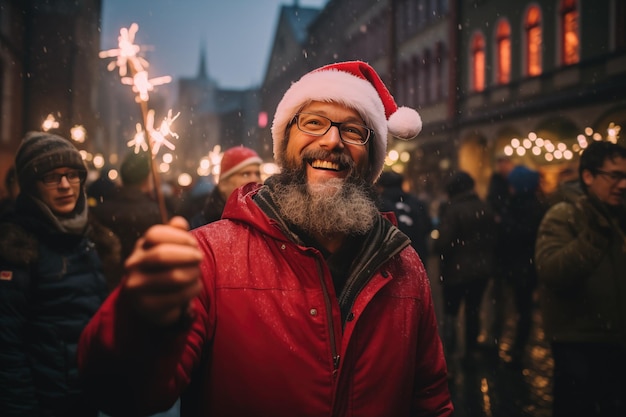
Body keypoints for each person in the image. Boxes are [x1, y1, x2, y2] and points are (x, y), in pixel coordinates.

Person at [78, 61, 453, 417]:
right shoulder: (209, 255)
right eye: (313, 122)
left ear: (371, 159)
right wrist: (139, 319)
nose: (333, 141)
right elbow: (125, 394)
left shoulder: (404, 267)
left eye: (354, 130)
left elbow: (429, 400)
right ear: (285, 143)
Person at [0, 132, 121, 417]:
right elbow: (7, 348)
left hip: (90, 398)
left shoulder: (94, 240)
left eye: (72, 175)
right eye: (51, 177)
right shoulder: (16, 247)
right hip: (45, 403)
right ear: (31, 187)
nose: (65, 185)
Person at [535, 141, 626, 417]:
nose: (623, 185)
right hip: (578, 341)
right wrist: (593, 237)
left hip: (616, 339)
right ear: (588, 176)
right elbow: (552, 270)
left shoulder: (619, 216)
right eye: (615, 176)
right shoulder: (564, 214)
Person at [432, 171, 496, 370]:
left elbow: (443, 243)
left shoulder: (453, 210)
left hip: (455, 272)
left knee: (450, 314)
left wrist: (437, 245)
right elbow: (494, 238)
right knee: (473, 311)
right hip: (481, 271)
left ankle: (449, 357)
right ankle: (470, 352)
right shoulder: (484, 207)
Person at [496, 165, 546, 368]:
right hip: (526, 266)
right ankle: (517, 347)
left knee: (522, 310)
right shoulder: (535, 205)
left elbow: (515, 236)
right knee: (522, 309)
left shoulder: (520, 207)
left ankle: (517, 350)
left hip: (520, 267)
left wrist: (503, 223)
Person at [91, 149, 164, 287]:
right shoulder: (156, 213)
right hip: (145, 287)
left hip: (106, 288)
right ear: (148, 178)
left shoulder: (100, 210)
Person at [189, 145, 262, 227]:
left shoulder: (267, 219)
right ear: (223, 184)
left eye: (257, 174)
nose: (255, 179)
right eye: (245, 174)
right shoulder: (202, 225)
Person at [376, 170, 433, 262]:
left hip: (390, 259)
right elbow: (428, 226)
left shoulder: (379, 204)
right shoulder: (416, 203)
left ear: (381, 186)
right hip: (417, 256)